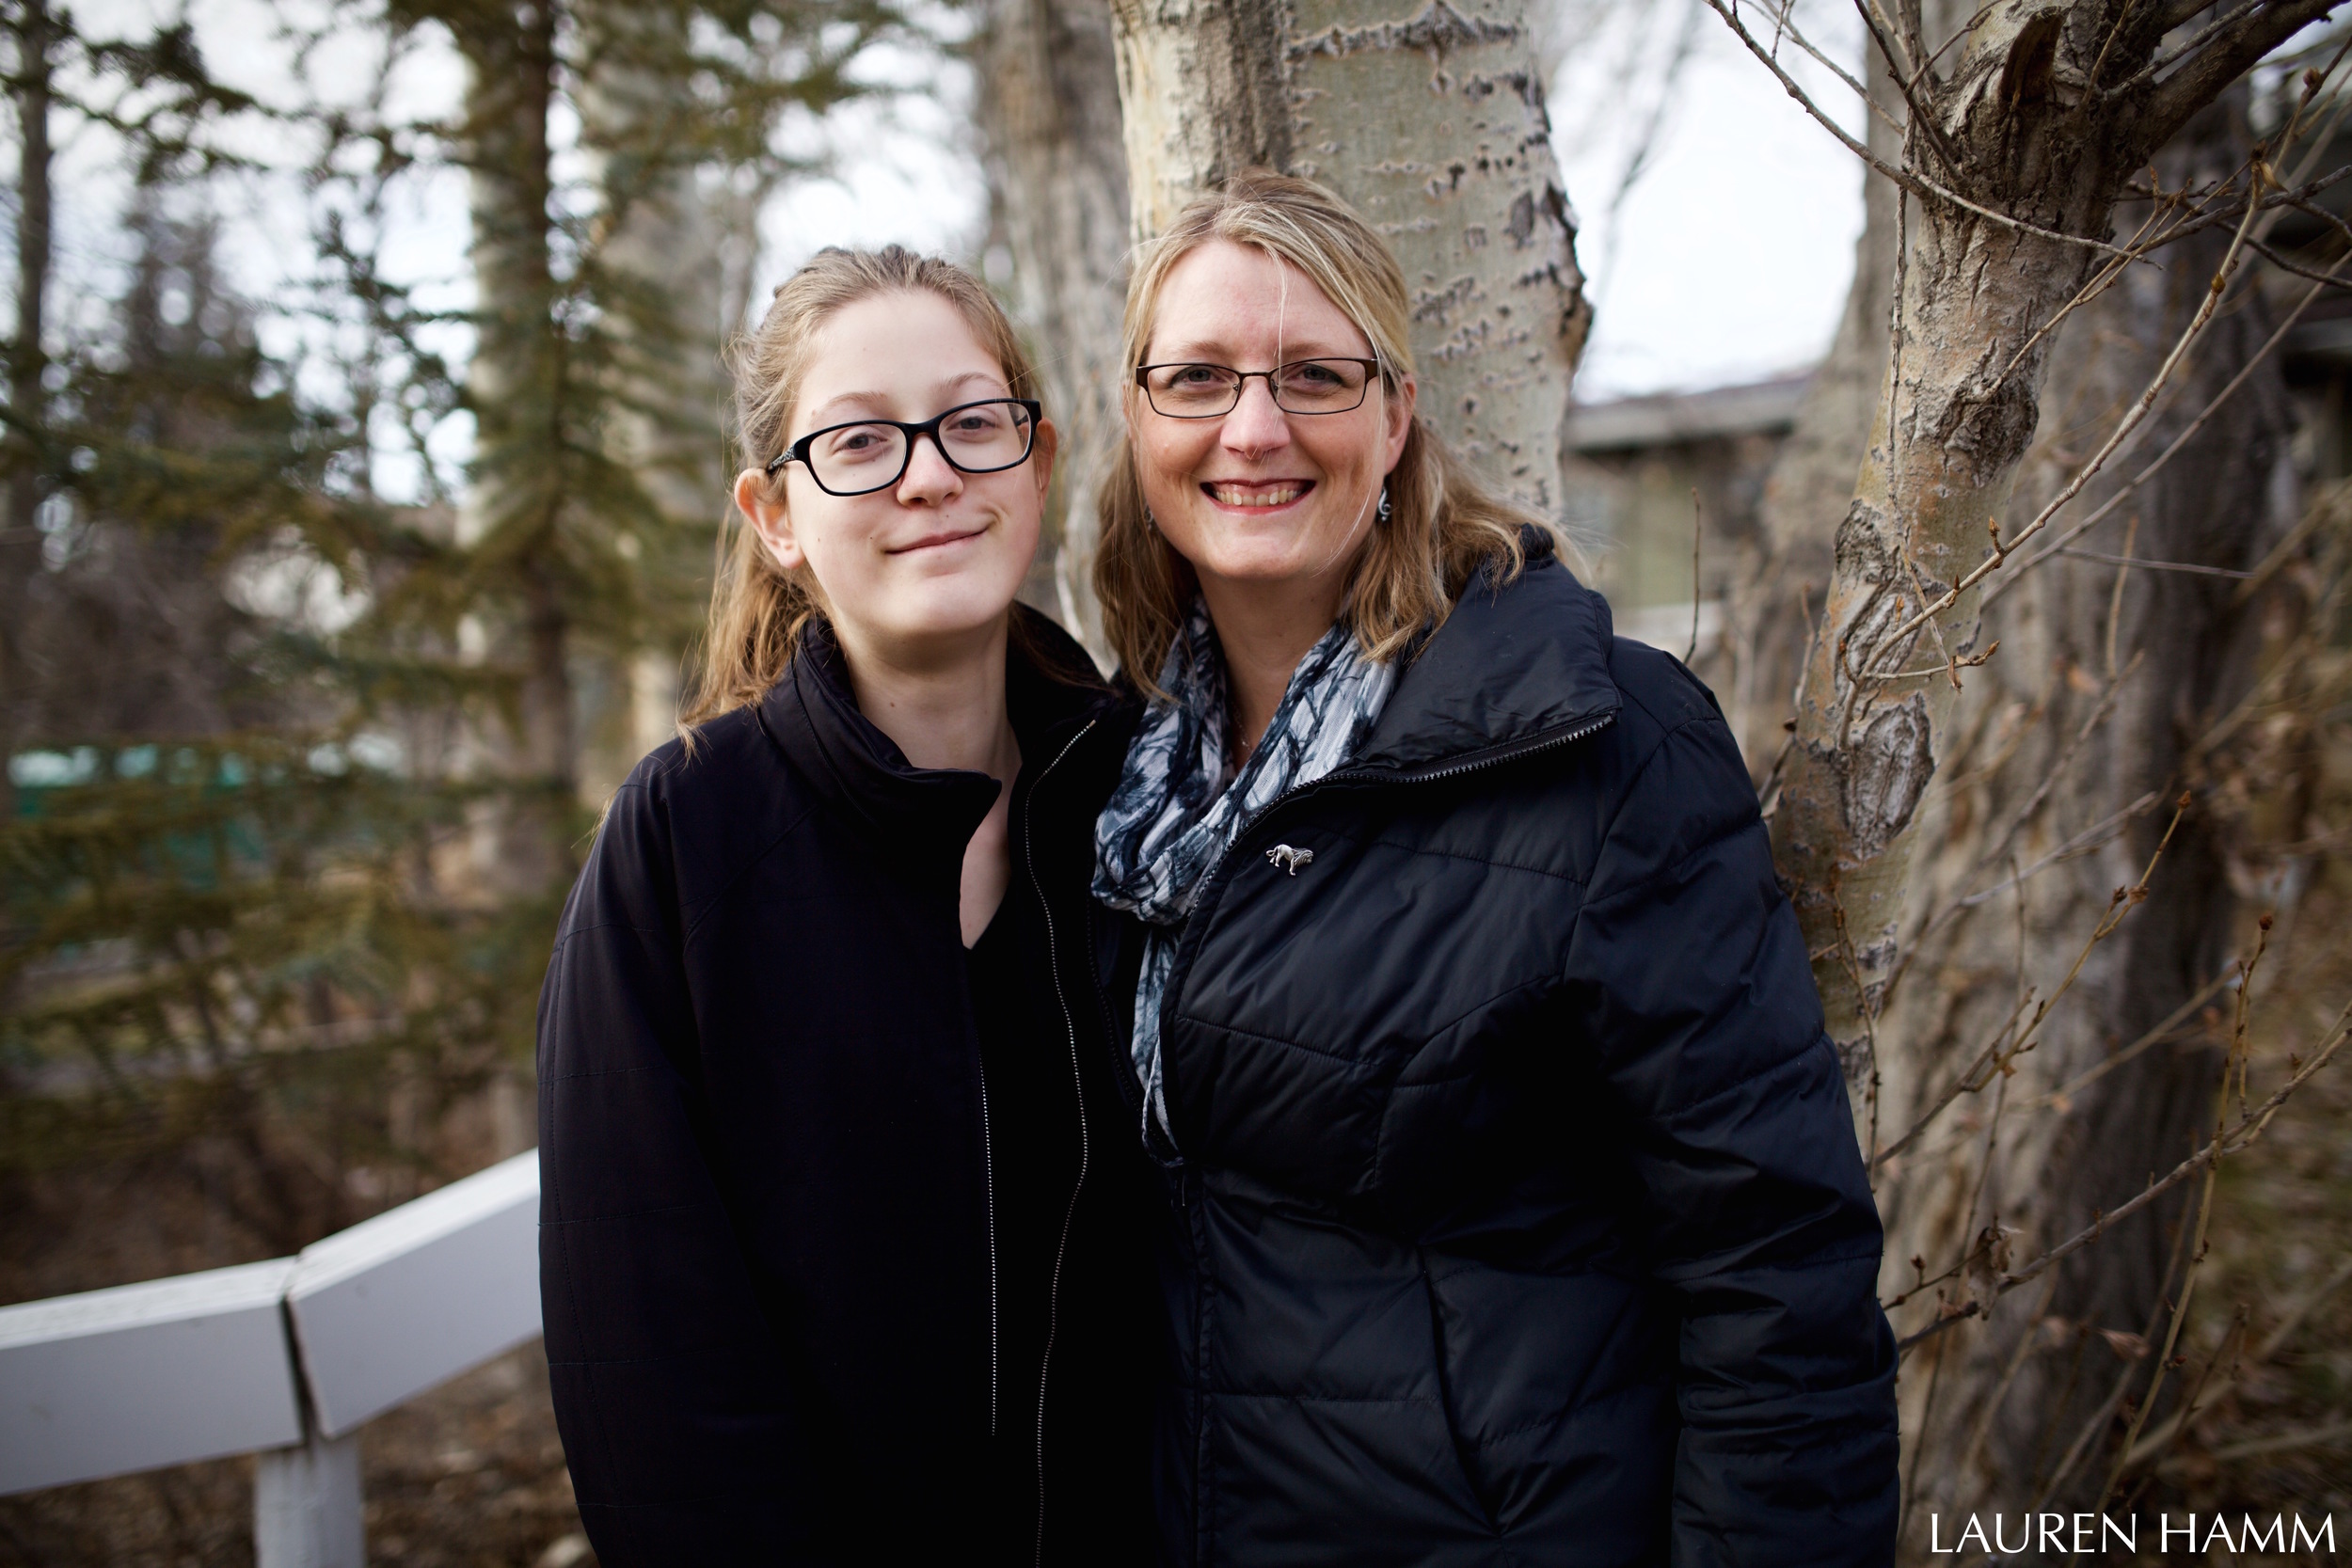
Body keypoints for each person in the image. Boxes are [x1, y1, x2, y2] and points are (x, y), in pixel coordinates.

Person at [1089, 171, 1899, 1567]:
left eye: (1316, 376)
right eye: (1200, 378)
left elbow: (1774, 1270)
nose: (1256, 427)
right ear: (1140, 417)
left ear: (1397, 418)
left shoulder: (1598, 743)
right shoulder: (1117, 776)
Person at [536, 245, 1158, 1565]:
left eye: (972, 422)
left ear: (1038, 461)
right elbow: (652, 1380)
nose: (929, 472)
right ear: (775, 515)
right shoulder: (686, 844)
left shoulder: (1144, 798)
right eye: (861, 441)